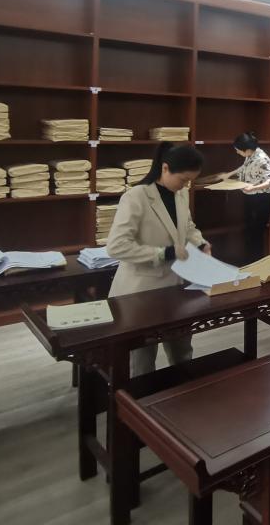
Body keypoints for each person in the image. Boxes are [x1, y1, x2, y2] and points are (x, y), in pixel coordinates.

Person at [106, 142, 211, 376]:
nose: (186, 185)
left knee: (182, 351)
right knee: (142, 361)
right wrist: (163, 253)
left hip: (175, 287)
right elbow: (116, 246)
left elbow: (188, 226)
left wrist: (200, 243)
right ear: (165, 168)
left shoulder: (180, 193)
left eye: (190, 181)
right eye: (183, 179)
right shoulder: (136, 197)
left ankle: (180, 391)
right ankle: (141, 399)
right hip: (141, 290)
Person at [221, 131, 270, 264]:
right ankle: (248, 261)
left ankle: (256, 262)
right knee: (249, 231)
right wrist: (229, 174)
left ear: (247, 150)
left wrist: (254, 188)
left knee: (256, 234)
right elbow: (244, 167)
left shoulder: (262, 159)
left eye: (238, 150)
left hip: (261, 199)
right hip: (250, 197)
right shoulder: (251, 154)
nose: (237, 152)